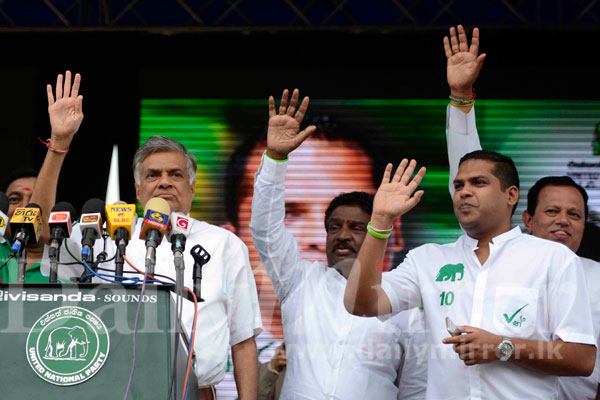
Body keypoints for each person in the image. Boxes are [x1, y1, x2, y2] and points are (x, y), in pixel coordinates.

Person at [344, 146, 597, 398]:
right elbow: (361, 304)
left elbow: (583, 359)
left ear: (510, 195)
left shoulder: (553, 258)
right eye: (459, 185)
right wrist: (379, 221)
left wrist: (502, 347)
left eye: (478, 183)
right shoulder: (428, 259)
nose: (464, 192)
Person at [218, 97, 414, 399]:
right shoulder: (300, 281)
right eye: (334, 227)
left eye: (357, 227)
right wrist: (275, 159)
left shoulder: (404, 299)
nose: (342, 236)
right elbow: (265, 229)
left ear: (388, 233)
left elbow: (417, 388)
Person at [41, 135, 262, 400]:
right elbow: (44, 229)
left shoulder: (224, 244)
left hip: (194, 391)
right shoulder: (106, 235)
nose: (164, 181)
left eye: (176, 174)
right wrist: (58, 144)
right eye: (153, 175)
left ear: (192, 187)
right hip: (114, 390)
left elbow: (243, 341)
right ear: (137, 190)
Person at [444, 25, 600, 399]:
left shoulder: (597, 278)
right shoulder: (490, 263)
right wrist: (461, 99)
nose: (563, 220)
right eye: (551, 211)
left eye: (574, 215)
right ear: (525, 219)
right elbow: (469, 171)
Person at [0, 71, 83, 283]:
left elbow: (41, 225)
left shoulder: (73, 260)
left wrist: (60, 141)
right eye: (14, 200)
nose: (28, 208)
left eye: (35, 200)